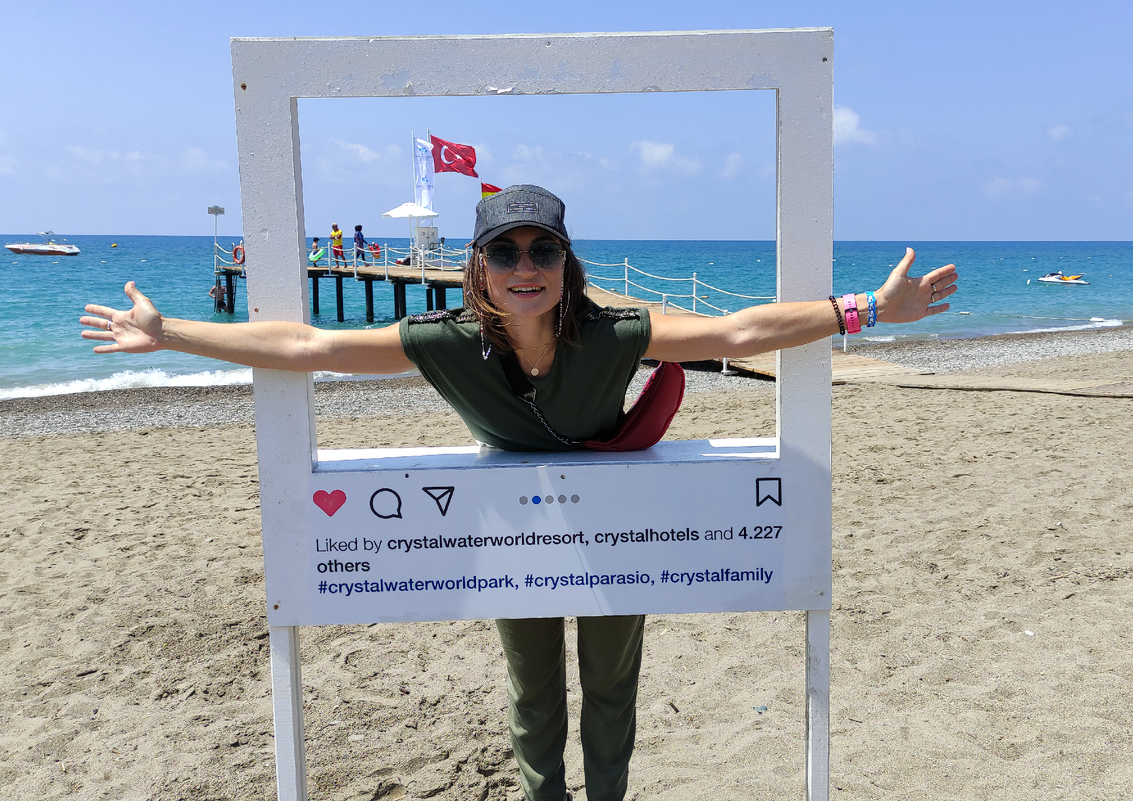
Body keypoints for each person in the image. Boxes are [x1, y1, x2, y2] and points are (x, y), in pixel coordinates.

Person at [80, 184, 956, 801]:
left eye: (543, 249)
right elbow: (310, 346)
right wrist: (171, 333)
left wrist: (868, 308)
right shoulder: (446, 339)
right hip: (513, 535)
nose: (524, 265)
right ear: (480, 267)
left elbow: (736, 331)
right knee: (532, 689)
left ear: (567, 263)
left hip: (614, 528)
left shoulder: (614, 332)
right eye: (505, 251)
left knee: (610, 685)